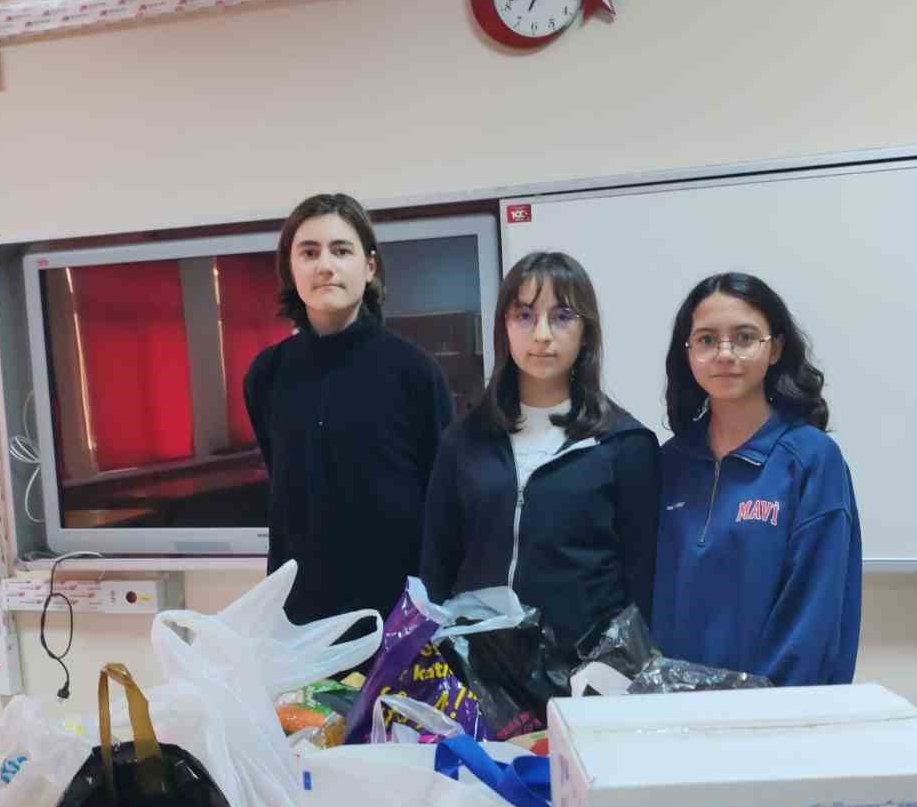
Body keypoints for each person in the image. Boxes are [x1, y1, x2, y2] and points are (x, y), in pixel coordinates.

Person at [421, 250, 660, 656]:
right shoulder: (463, 441)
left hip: (585, 671)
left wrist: (616, 668)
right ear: (504, 327)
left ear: (586, 332)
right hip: (479, 666)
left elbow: (642, 581)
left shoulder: (625, 444)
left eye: (562, 316)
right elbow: (435, 569)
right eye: (525, 316)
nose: (542, 334)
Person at [244, 192, 452, 625]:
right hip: (298, 623)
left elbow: (444, 502)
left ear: (369, 266)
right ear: (290, 269)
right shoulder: (267, 374)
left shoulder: (414, 372)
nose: (325, 265)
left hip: (397, 623)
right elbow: (285, 484)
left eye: (341, 250)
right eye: (309, 252)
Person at [652, 272, 861, 685]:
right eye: (706, 339)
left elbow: (814, 616)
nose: (724, 353)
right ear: (688, 352)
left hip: (773, 711)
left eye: (744, 337)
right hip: (669, 708)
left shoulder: (812, 461)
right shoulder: (668, 463)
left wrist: (766, 709)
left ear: (775, 348)